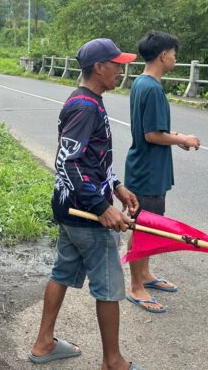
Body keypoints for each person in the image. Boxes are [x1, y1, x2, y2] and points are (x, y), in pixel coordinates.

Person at [29, 38, 145, 370]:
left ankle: (44, 343)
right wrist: (102, 206)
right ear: (99, 67)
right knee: (109, 286)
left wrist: (118, 188)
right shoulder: (85, 107)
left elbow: (93, 159)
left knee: (62, 272)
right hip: (86, 215)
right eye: (117, 64)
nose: (121, 71)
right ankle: (113, 361)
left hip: (73, 209)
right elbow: (69, 162)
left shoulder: (90, 101)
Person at [124, 31, 201, 314]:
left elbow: (155, 131)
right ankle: (135, 286)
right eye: (174, 53)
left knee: (149, 224)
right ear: (163, 55)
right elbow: (152, 134)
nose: (175, 57)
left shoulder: (142, 83)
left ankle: (144, 274)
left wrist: (177, 135)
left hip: (146, 168)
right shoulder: (153, 89)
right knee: (141, 226)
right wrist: (182, 139)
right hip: (147, 171)